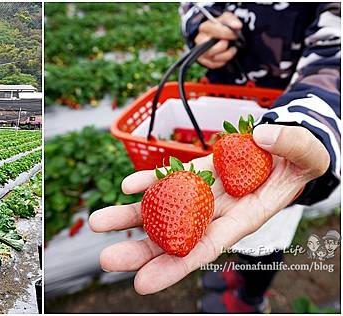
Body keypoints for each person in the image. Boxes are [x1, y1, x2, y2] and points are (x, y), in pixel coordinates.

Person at [89, 2, 340, 313]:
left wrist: (311, 124)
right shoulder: (223, 154)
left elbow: (336, 50)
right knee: (235, 233)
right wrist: (201, 25)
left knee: (267, 238)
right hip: (223, 97)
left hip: (285, 126)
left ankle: (250, 297)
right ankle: (239, 272)